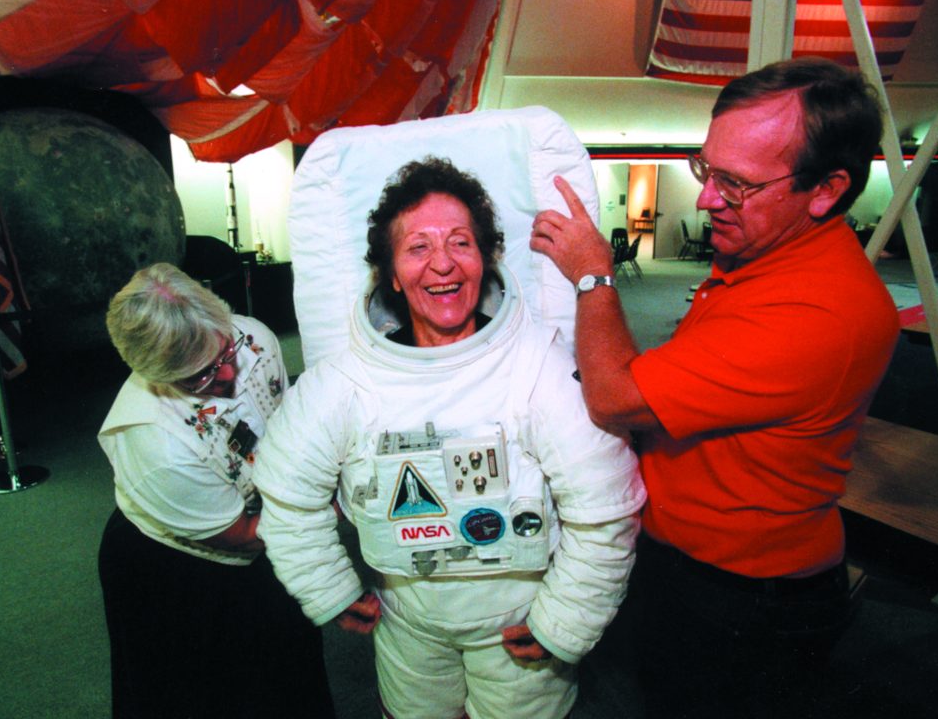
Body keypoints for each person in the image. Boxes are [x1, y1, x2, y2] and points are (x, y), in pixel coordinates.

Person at [529, 57, 901, 718]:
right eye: (708, 170)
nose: (705, 200)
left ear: (826, 189)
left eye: (737, 184)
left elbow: (615, 398)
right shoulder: (765, 258)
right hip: (699, 573)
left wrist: (593, 274)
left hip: (741, 601)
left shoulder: (816, 311)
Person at [253, 157, 646, 719]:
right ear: (391, 274)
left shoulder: (538, 368)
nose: (443, 263)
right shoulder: (346, 383)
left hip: (519, 622)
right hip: (408, 621)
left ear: (484, 260)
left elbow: (605, 509)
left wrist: (564, 621)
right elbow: (288, 495)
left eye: (461, 243)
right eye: (418, 247)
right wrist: (327, 586)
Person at [97, 262, 335, 719]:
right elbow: (241, 535)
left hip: (264, 514)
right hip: (179, 566)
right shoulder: (155, 443)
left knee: (291, 663)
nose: (225, 375)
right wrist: (323, 511)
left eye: (225, 352)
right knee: (198, 693)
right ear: (155, 373)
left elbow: (284, 425)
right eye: (198, 377)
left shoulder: (253, 338)